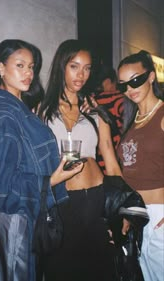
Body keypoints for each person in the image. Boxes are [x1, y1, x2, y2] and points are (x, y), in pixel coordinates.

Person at [0, 39, 84, 281]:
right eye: (20, 65)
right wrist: (50, 180)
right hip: (15, 217)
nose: (28, 73)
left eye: (32, 66)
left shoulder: (19, 107)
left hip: (26, 212)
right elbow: (1, 184)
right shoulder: (4, 115)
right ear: (0, 68)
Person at [38, 39, 124, 281]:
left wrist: (121, 207)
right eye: (74, 66)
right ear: (62, 67)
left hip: (94, 199)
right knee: (61, 269)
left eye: (87, 68)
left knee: (101, 268)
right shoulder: (41, 111)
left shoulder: (95, 112)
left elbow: (111, 158)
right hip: (61, 201)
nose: (82, 74)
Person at [117, 50, 164, 281]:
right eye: (123, 85)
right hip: (136, 214)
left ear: (151, 77)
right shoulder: (131, 121)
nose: (130, 88)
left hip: (159, 213)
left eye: (136, 80)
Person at [94, 65, 124, 173]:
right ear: (108, 81)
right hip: (116, 165)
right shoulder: (117, 99)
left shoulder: (88, 101)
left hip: (96, 167)